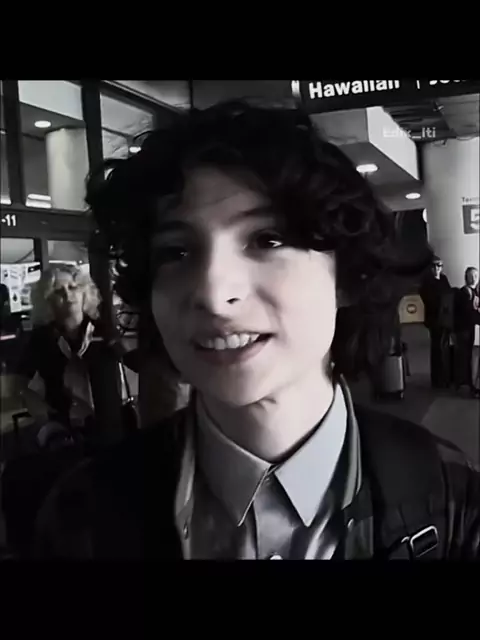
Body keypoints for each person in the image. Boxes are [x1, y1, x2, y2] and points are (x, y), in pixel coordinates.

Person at [33, 101, 480, 560]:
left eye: (267, 239)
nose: (213, 293)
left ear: (345, 275)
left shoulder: (447, 496)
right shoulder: (86, 516)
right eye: (176, 251)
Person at [13, 264, 130, 448]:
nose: (68, 295)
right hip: (64, 434)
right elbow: (21, 386)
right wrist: (46, 423)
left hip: (113, 428)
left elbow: (133, 365)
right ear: (47, 300)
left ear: (84, 292)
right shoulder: (41, 339)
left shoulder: (104, 332)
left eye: (73, 287)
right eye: (58, 291)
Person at [419, 257, 453, 388]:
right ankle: (437, 379)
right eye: (434, 266)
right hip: (434, 319)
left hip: (445, 318)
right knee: (437, 348)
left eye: (439, 266)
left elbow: (449, 294)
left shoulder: (443, 279)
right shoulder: (427, 282)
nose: (436, 269)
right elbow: (428, 299)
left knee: (444, 347)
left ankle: (445, 376)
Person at [453, 266, 480, 397]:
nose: (474, 278)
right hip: (464, 329)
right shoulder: (465, 293)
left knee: (468, 356)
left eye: (476, 276)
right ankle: (468, 384)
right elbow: (468, 313)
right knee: (466, 357)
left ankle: (466, 383)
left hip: (469, 329)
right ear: (466, 278)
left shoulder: (474, 292)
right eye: (471, 276)